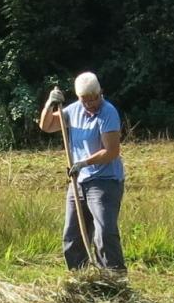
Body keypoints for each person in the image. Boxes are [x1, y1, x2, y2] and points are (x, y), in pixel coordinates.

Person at [38, 72, 126, 271]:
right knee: (73, 234)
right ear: (79, 98)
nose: (89, 104)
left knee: (104, 233)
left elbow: (111, 151)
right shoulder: (74, 110)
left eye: (93, 99)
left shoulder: (108, 112)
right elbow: (47, 126)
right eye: (84, 100)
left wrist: (84, 163)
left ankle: (114, 279)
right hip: (78, 181)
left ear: (100, 93)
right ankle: (80, 280)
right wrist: (49, 105)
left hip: (104, 181)